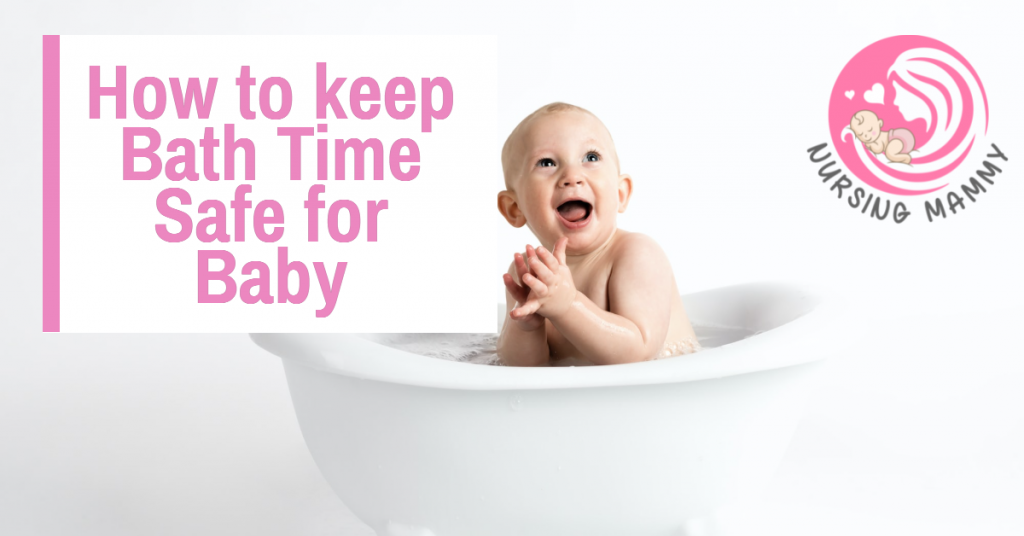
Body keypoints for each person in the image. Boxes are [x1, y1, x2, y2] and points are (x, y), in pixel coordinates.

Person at [496, 102, 699, 367]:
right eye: (547, 163)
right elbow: (522, 369)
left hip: (665, 394)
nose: (572, 176)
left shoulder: (636, 254)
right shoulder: (529, 272)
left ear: (620, 193)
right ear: (514, 209)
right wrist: (526, 328)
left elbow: (640, 353)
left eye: (590, 158)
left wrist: (568, 305)